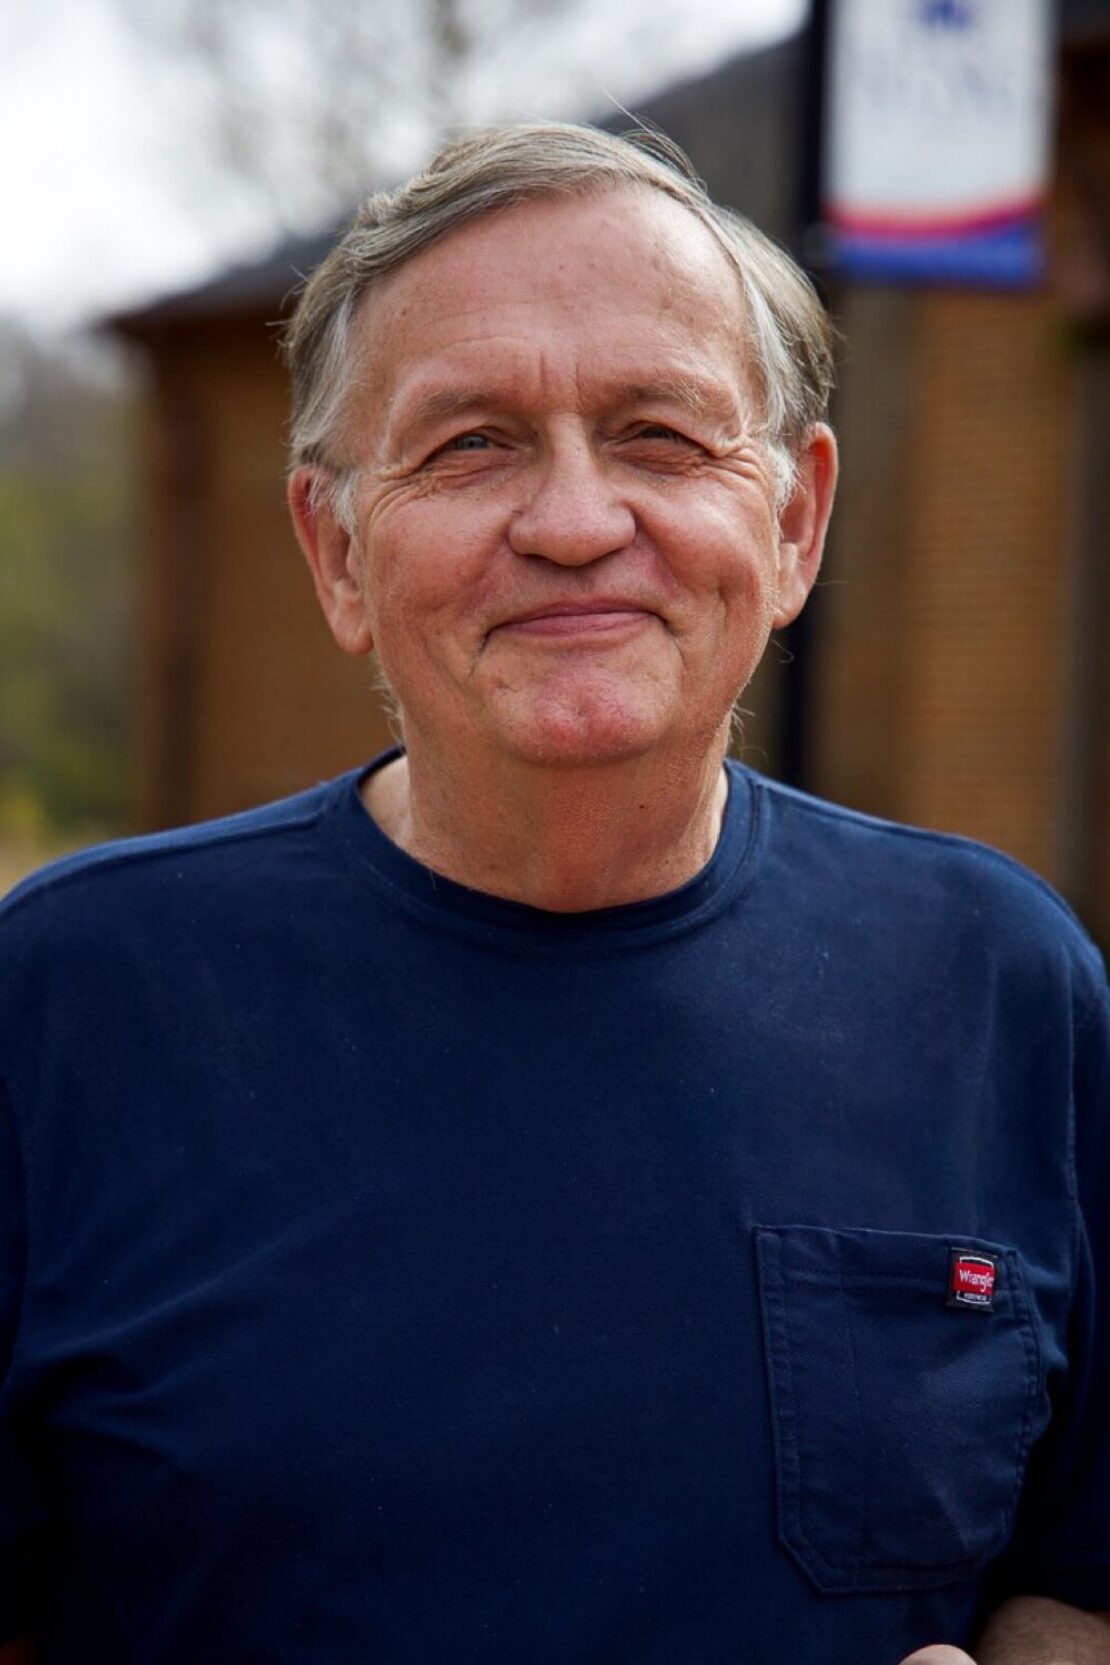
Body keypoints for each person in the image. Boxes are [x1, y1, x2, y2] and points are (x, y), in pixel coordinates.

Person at [0, 124, 1107, 1665]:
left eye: (659, 435)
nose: (577, 522)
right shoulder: (71, 997)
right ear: (335, 552)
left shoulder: (999, 985)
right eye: (471, 444)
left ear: (790, 523)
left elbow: (1077, 1560)